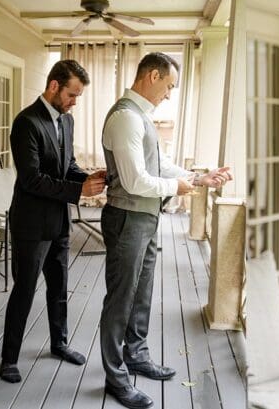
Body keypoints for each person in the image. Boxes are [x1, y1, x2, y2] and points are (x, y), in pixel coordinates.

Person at [98, 52, 232, 409]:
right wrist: (177, 189)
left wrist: (195, 178)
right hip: (127, 218)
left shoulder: (141, 116)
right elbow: (135, 180)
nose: (169, 94)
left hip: (145, 218)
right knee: (120, 299)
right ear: (153, 76)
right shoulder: (126, 117)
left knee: (141, 294)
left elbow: (159, 164)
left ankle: (137, 355)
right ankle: (116, 378)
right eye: (169, 86)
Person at [1, 60, 106, 383]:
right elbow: (32, 179)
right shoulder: (25, 123)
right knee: (25, 290)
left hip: (60, 220)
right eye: (72, 94)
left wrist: (88, 178)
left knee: (59, 288)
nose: (75, 101)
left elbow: (67, 165)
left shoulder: (67, 121)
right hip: (31, 225)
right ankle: (9, 359)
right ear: (54, 87)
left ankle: (59, 344)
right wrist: (78, 190)